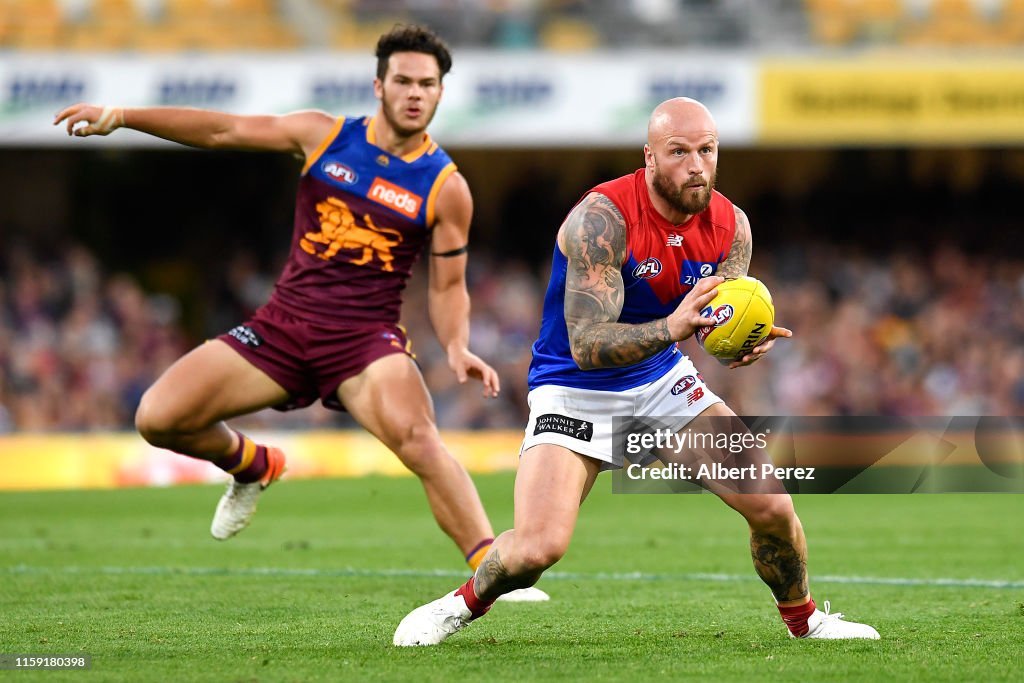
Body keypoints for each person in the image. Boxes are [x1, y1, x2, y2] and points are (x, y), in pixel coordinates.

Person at [53, 24, 546, 601]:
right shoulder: (324, 134)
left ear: (440, 93)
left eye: (428, 84)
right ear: (379, 85)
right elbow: (222, 129)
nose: (416, 93)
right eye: (404, 80)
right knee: (157, 418)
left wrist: (457, 344)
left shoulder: (446, 186)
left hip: (365, 343)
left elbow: (449, 284)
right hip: (281, 330)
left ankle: (495, 570)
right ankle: (253, 464)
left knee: (419, 439)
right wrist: (121, 115)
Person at [393, 97, 880, 645]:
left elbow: (711, 326)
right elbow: (586, 343)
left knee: (771, 504)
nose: (696, 165)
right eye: (679, 152)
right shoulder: (601, 220)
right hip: (572, 388)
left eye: (707, 150)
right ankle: (459, 605)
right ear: (650, 157)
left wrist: (738, 344)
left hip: (660, 380)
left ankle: (804, 620)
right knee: (536, 550)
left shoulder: (731, 227)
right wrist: (674, 327)